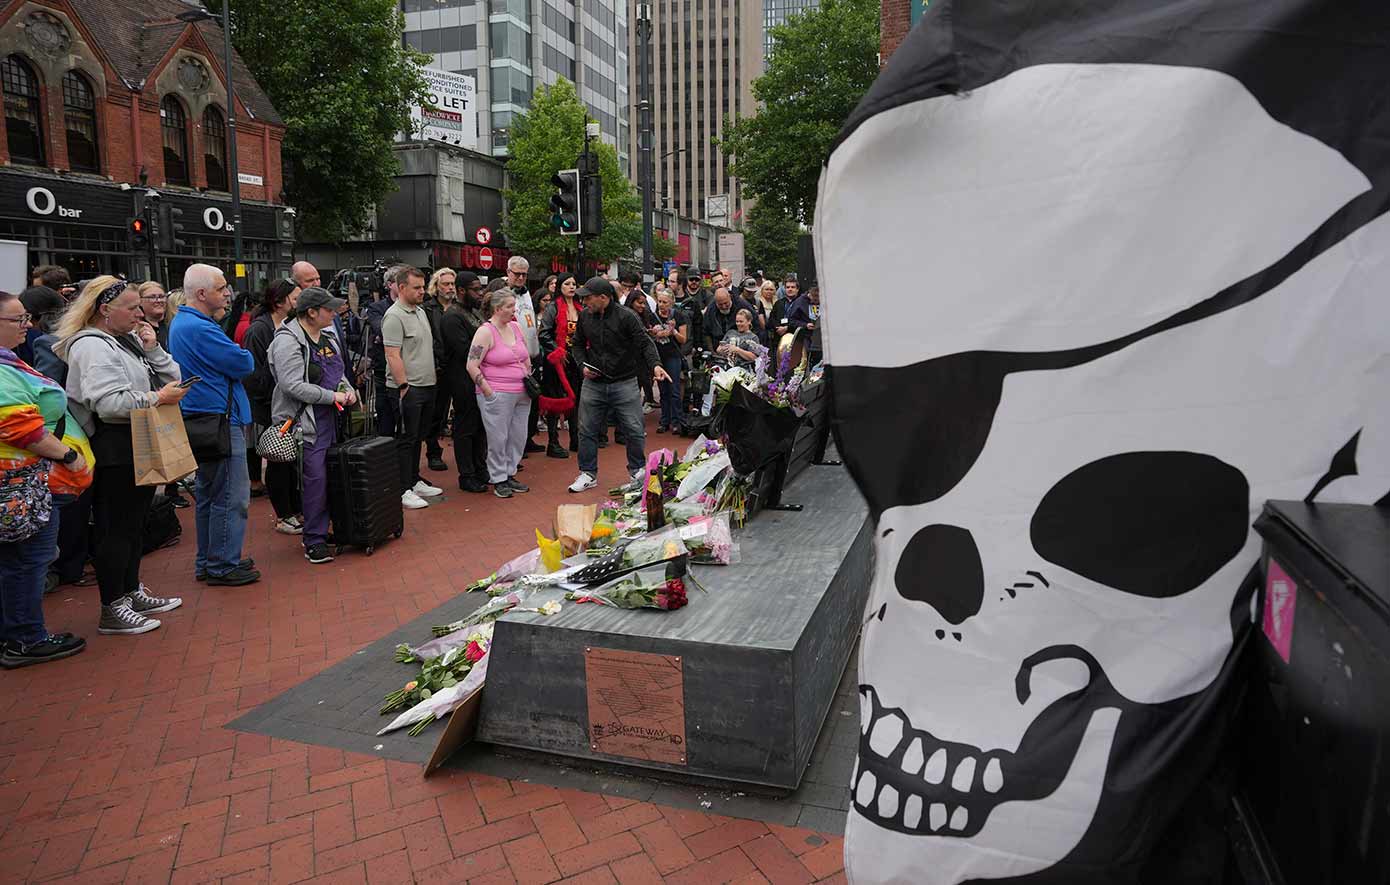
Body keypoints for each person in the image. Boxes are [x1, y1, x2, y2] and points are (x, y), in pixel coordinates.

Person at [53, 277, 186, 634]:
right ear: (104, 309)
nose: (138, 314)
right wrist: (157, 398)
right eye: (131, 307)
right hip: (114, 445)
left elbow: (173, 374)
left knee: (133, 523)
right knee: (116, 527)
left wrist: (153, 348)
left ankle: (128, 591)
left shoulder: (122, 341)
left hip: (131, 440)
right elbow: (109, 403)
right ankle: (113, 606)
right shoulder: (93, 347)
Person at [0, 290, 92, 668]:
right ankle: (25, 638)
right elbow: (20, 427)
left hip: (25, 480)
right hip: (21, 482)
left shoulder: (10, 362)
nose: (27, 326)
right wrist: (68, 455)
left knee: (19, 560)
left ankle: (18, 633)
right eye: (17, 320)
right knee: (29, 560)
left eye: (26, 318)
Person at [168, 264, 260, 586]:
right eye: (222, 289)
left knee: (211, 492)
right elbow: (243, 362)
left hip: (206, 417)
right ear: (202, 293)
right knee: (231, 495)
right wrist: (236, 353)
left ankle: (211, 560)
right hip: (219, 419)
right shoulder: (199, 328)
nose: (227, 295)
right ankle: (222, 564)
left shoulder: (185, 323)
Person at [268, 288, 358, 564]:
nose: (333, 313)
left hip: (331, 418)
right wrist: (334, 396)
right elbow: (292, 385)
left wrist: (348, 389)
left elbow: (337, 372)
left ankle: (323, 528)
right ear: (311, 312)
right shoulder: (287, 341)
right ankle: (314, 540)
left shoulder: (327, 336)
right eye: (328, 309)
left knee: (330, 476)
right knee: (315, 479)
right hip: (305, 423)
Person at [567, 278, 670, 493]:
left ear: (603, 297)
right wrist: (582, 365)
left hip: (624, 381)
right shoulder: (585, 316)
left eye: (588, 297)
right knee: (586, 429)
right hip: (593, 381)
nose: (584, 301)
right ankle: (588, 473)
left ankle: (637, 470)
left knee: (633, 428)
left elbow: (645, 343)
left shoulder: (627, 316)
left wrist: (656, 366)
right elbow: (577, 343)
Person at [242, 279, 303, 534]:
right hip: (269, 406)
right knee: (278, 458)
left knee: (291, 459)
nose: (299, 302)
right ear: (280, 301)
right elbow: (254, 373)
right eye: (296, 297)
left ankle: (294, 507)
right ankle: (284, 514)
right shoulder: (259, 329)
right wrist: (274, 394)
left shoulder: (290, 325)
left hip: (288, 405)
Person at [382, 265, 444, 510]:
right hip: (409, 388)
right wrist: (403, 385)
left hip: (427, 385)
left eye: (422, 286)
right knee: (406, 439)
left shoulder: (419, 311)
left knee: (418, 435)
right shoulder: (394, 316)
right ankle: (402, 488)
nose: (422, 291)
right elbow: (392, 354)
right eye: (416, 287)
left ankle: (414, 479)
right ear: (401, 288)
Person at [467, 290, 532, 498]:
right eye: (510, 306)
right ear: (497, 309)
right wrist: (488, 391)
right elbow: (472, 364)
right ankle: (498, 477)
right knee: (498, 437)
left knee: (518, 435)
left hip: (522, 391)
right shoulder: (485, 332)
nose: (514, 310)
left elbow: (524, 355)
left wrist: (527, 371)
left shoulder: (515, 327)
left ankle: (510, 472)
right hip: (497, 392)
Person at [439, 272, 488, 492]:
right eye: (475, 289)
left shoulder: (474, 311)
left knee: (479, 426)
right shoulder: (452, 317)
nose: (480, 294)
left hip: (479, 377)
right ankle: (466, 474)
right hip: (461, 379)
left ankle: (480, 468)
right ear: (461, 291)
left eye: (480, 289)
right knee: (465, 427)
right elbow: (465, 350)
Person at [538, 272, 583, 458]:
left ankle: (575, 439)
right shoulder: (552, 308)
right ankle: (553, 442)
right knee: (555, 400)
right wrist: (558, 350)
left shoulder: (581, 308)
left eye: (573, 283)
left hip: (576, 360)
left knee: (576, 399)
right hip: (557, 361)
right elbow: (544, 334)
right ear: (560, 287)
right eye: (567, 284)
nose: (571, 287)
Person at [504, 256, 545, 455]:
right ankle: (513, 447)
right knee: (515, 406)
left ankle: (527, 438)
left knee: (531, 401)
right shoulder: (503, 294)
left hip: (532, 354)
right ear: (508, 272)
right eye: (517, 274)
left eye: (524, 274)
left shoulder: (527, 294)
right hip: (514, 358)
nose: (521, 278)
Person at [423, 267, 457, 473]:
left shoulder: (459, 307)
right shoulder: (427, 309)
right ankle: (433, 452)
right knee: (436, 412)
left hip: (459, 365)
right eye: (446, 284)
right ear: (436, 287)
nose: (450, 288)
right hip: (438, 366)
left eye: (452, 284)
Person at [364, 266, 401, 438]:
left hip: (407, 369)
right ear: (389, 284)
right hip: (383, 371)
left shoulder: (417, 307)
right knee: (386, 416)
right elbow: (381, 329)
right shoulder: (377, 308)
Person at [651, 290, 688, 433]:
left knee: (674, 390)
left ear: (671, 302)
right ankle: (664, 421)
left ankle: (677, 421)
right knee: (663, 390)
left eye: (664, 302)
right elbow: (649, 336)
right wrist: (655, 333)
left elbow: (683, 339)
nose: (661, 305)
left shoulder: (678, 316)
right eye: (659, 301)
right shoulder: (653, 316)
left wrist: (673, 331)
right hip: (659, 356)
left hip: (673, 356)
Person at [702, 285, 755, 352]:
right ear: (715, 302)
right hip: (718, 348)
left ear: (730, 297)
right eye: (720, 304)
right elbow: (706, 332)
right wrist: (712, 352)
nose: (724, 307)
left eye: (726, 303)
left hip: (741, 346)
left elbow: (755, 326)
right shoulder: (710, 310)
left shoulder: (743, 305)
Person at [786, 282, 823, 363]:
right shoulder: (799, 302)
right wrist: (805, 325)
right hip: (806, 339)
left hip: (821, 340)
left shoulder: (824, 300)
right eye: (815, 297)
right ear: (810, 293)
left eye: (819, 297)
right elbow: (791, 321)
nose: (817, 300)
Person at [753, 279, 779, 344]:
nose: (769, 292)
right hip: (762, 334)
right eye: (766, 289)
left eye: (771, 290)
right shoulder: (758, 302)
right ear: (762, 290)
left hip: (775, 333)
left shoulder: (777, 302)